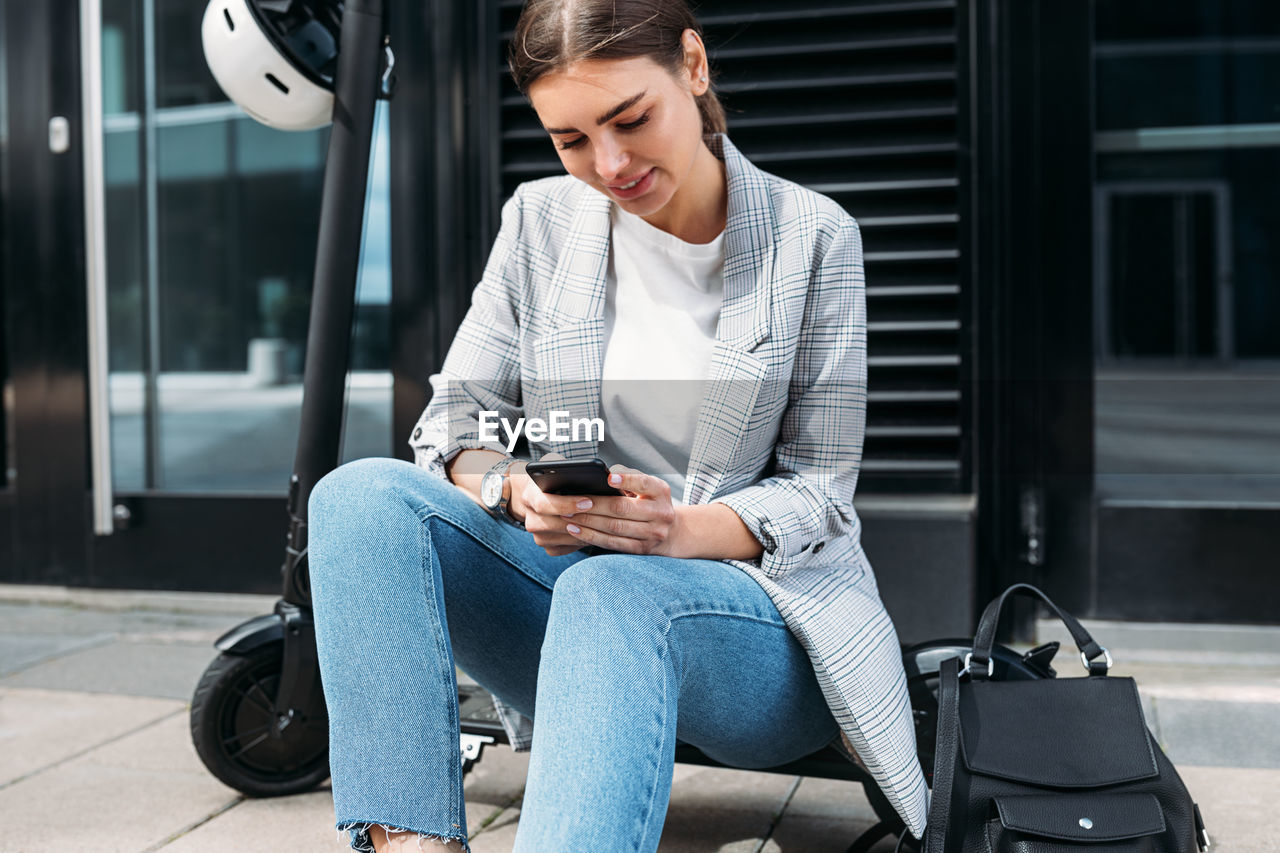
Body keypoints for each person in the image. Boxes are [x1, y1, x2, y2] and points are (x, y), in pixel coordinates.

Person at [307, 0, 929, 850]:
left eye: (631, 118)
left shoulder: (811, 238)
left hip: (756, 634)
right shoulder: (542, 221)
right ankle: (410, 842)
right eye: (570, 140)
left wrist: (671, 530)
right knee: (359, 500)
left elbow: (819, 497)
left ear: (694, 66)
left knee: (613, 586)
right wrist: (513, 484)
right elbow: (455, 419)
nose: (609, 163)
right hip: (572, 608)